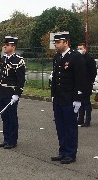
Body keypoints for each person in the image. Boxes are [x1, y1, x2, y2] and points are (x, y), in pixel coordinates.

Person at [51, 32, 85, 164]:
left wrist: (78, 99)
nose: (56, 45)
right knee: (60, 126)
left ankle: (71, 153)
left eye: (58, 42)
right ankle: (63, 151)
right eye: (55, 42)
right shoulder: (57, 57)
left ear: (66, 42)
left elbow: (80, 79)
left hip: (70, 99)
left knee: (70, 127)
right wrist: (53, 95)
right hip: (59, 98)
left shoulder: (76, 57)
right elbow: (55, 78)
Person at [0, 36, 26, 149]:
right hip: (2, 92)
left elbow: (21, 79)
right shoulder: (3, 59)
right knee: (4, 117)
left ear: (13, 47)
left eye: (7, 45)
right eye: (5, 44)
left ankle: (12, 140)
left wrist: (17, 94)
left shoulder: (18, 61)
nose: (5, 46)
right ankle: (6, 138)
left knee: (11, 116)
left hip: (11, 93)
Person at [77, 43, 97, 127]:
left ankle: (87, 121)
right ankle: (80, 119)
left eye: (81, 48)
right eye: (78, 48)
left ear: (85, 49)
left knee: (86, 102)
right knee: (80, 103)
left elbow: (93, 72)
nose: (79, 50)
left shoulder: (89, 59)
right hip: (79, 84)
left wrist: (90, 81)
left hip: (87, 84)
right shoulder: (77, 58)